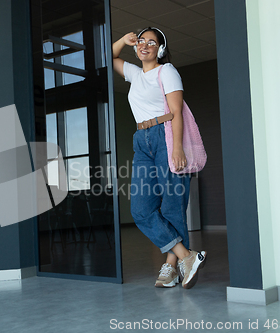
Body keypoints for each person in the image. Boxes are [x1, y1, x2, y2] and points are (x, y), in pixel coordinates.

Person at [113, 27, 206, 289]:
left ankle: (171, 268)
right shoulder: (133, 73)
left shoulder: (167, 72)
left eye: (151, 42)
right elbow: (106, 58)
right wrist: (123, 40)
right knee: (141, 209)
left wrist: (177, 148)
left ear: (160, 49)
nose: (144, 45)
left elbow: (175, 111)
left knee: (172, 207)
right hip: (141, 140)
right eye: (141, 41)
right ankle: (186, 256)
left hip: (165, 136)